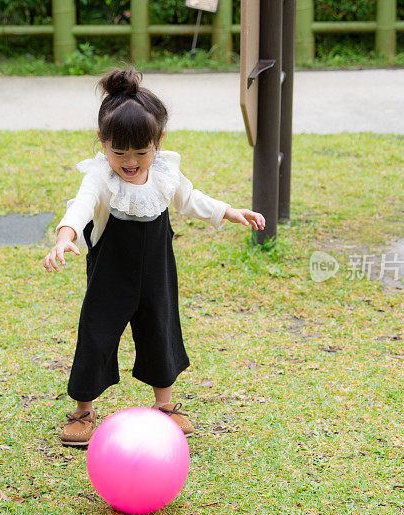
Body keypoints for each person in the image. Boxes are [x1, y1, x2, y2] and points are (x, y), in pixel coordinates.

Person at [43, 68, 265, 446]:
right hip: (111, 276)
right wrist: (65, 237)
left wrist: (228, 211)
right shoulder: (101, 176)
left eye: (141, 152)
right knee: (96, 335)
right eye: (119, 152)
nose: (130, 162)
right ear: (103, 141)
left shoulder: (163, 172)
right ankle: (83, 409)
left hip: (157, 273)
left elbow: (190, 198)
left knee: (161, 330)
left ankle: (165, 405)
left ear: (158, 141)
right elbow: (80, 207)